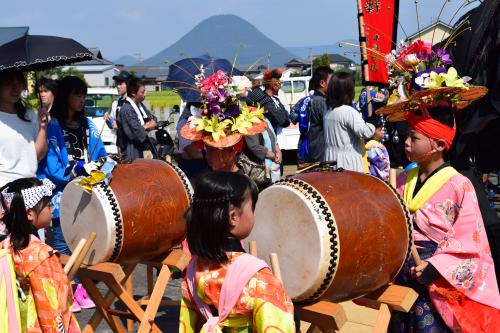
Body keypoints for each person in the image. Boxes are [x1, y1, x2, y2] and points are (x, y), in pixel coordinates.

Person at [389, 99, 500, 332]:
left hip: (435, 273)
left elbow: (470, 240)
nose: (406, 143)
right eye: (407, 137)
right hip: (404, 268)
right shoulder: (402, 181)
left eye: (414, 138)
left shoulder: (459, 184)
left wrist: (436, 266)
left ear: (438, 144)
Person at [179, 171, 295, 333]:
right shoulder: (257, 277)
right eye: (252, 208)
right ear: (233, 217)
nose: (253, 214)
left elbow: (187, 326)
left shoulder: (191, 271)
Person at [38, 75, 106, 312]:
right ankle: (65, 290)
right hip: (59, 198)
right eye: (76, 94)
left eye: (83, 94)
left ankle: (79, 288)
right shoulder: (53, 126)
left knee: (83, 244)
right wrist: (77, 169)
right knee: (62, 245)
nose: (81, 99)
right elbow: (51, 166)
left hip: (86, 195)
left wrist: (97, 168)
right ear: (65, 96)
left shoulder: (88, 125)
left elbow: (101, 156)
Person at [0, 177, 81, 332]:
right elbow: (51, 309)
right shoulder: (41, 255)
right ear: (30, 214)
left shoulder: (7, 245)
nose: (52, 209)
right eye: (48, 205)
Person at [0, 70, 49, 240]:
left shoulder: (29, 114)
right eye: (9, 82)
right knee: (7, 249)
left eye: (18, 82)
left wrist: (43, 127)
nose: (15, 88)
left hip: (30, 190)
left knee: (33, 246)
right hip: (4, 192)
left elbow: (39, 154)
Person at [323, 71, 383, 171]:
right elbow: (365, 132)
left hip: (330, 159)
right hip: (347, 163)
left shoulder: (328, 111)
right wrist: (376, 110)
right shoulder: (348, 111)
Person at [116, 77, 157, 162]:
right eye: (142, 92)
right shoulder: (127, 109)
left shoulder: (140, 106)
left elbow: (153, 120)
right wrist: (146, 126)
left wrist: (147, 125)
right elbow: (138, 133)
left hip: (139, 150)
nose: (145, 94)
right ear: (133, 93)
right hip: (130, 153)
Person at [304, 66, 333, 162]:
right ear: (322, 83)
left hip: (314, 145)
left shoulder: (313, 99)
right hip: (321, 150)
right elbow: (330, 124)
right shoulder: (320, 101)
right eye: (331, 81)